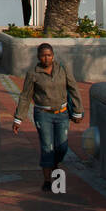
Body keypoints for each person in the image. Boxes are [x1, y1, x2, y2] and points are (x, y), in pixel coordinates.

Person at [12, 43, 82, 191]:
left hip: (62, 114)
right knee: (47, 147)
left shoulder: (62, 69)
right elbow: (25, 96)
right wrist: (18, 118)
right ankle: (48, 181)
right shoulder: (33, 73)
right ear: (38, 57)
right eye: (43, 55)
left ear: (53, 56)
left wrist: (77, 111)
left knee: (62, 147)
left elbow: (73, 89)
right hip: (43, 115)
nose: (46, 58)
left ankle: (54, 164)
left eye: (49, 55)